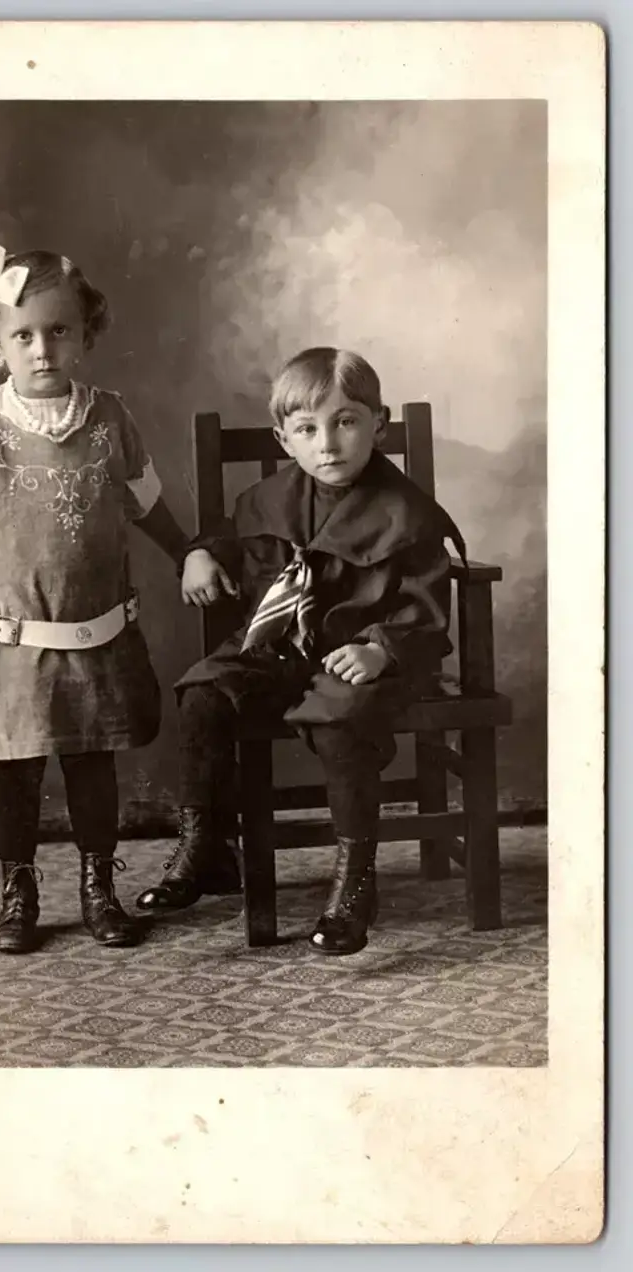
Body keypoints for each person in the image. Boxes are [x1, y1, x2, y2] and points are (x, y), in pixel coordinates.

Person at [136, 347, 467, 956]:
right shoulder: (265, 499)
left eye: (346, 422)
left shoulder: (407, 513)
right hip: (280, 652)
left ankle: (354, 883)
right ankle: (206, 843)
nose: (328, 445)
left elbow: (424, 607)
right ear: (283, 438)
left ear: (379, 426)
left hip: (362, 663)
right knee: (204, 693)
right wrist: (201, 553)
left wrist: (381, 649)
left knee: (339, 719)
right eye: (307, 429)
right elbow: (232, 541)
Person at [0, 245, 189, 954]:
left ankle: (99, 884)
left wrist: (188, 549)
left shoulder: (107, 419)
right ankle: (19, 889)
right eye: (23, 336)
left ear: (84, 331)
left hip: (94, 637)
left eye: (59, 331)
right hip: (9, 644)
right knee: (13, 771)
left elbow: (146, 502)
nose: (42, 349)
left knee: (91, 764)